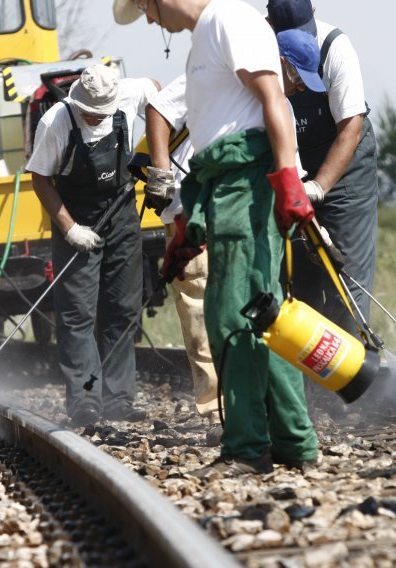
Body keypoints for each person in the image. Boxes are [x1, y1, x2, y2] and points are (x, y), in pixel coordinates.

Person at [113, 0, 319, 476]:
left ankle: (248, 448)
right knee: (260, 313)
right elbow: (214, 126)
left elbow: (275, 99)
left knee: (234, 316)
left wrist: (288, 179)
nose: (149, 19)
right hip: (221, 186)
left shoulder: (229, 19)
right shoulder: (207, 35)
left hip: (245, 183)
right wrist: (187, 222)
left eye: (145, 7)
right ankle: (293, 443)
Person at [26, 64, 159, 427]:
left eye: (100, 112)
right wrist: (70, 229)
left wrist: (157, 155)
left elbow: (162, 98)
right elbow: (40, 180)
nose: (93, 116)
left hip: (121, 215)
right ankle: (85, 399)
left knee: (122, 307)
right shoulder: (56, 122)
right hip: (77, 216)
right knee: (77, 314)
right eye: (89, 111)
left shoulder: (131, 93)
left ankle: (118, 399)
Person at [267, 0, 379, 339]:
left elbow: (351, 127)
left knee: (345, 273)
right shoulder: (254, 47)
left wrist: (317, 188)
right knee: (295, 276)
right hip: (291, 164)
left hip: (344, 169)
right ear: (270, 25)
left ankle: (353, 372)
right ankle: (307, 377)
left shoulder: (335, 47)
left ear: (313, 14)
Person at [143, 74, 223, 447]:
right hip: (188, 213)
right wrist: (163, 176)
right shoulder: (206, 74)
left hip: (239, 210)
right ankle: (217, 409)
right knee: (199, 314)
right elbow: (158, 108)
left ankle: (243, 406)